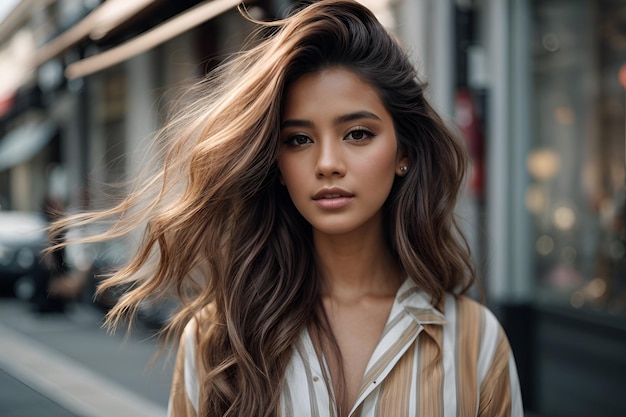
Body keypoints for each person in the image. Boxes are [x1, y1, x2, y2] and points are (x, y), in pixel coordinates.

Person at [51, 0, 523, 416]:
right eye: (298, 140)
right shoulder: (220, 339)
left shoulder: (474, 343)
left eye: (358, 133)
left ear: (404, 152)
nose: (328, 163)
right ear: (277, 165)